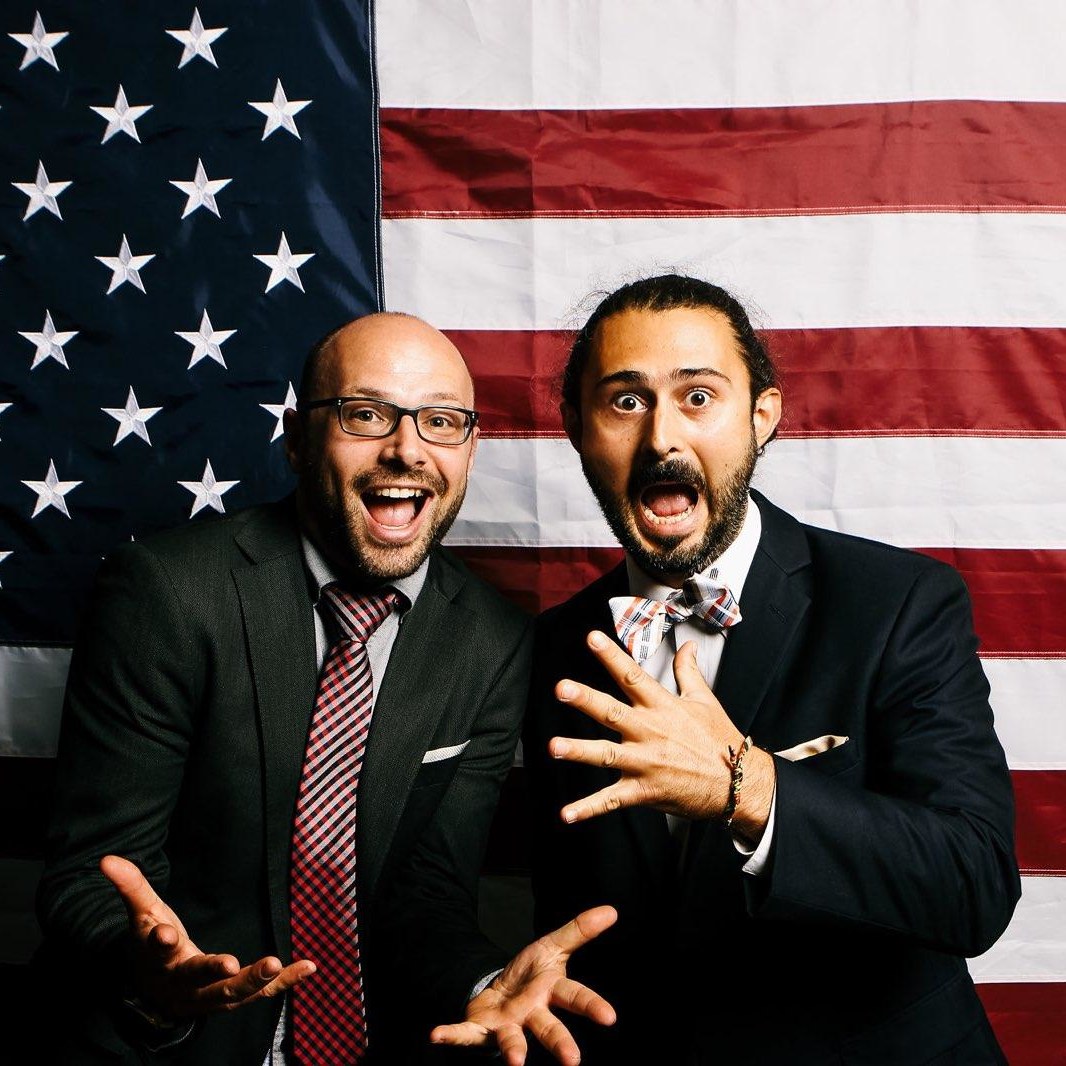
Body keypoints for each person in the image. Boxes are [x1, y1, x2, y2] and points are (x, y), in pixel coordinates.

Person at [35, 312, 612, 1065]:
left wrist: (487, 976)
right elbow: (94, 871)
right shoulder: (167, 595)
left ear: (469, 448)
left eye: (440, 421)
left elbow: (427, 894)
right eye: (366, 415)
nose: (407, 450)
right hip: (173, 1043)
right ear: (299, 437)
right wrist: (151, 976)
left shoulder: (495, 643)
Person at [514, 275, 1020, 1063]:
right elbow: (514, 880)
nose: (661, 440)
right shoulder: (551, 649)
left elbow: (973, 884)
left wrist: (743, 787)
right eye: (624, 402)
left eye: (699, 397)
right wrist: (499, 967)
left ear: (762, 418)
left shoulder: (897, 603)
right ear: (576, 428)